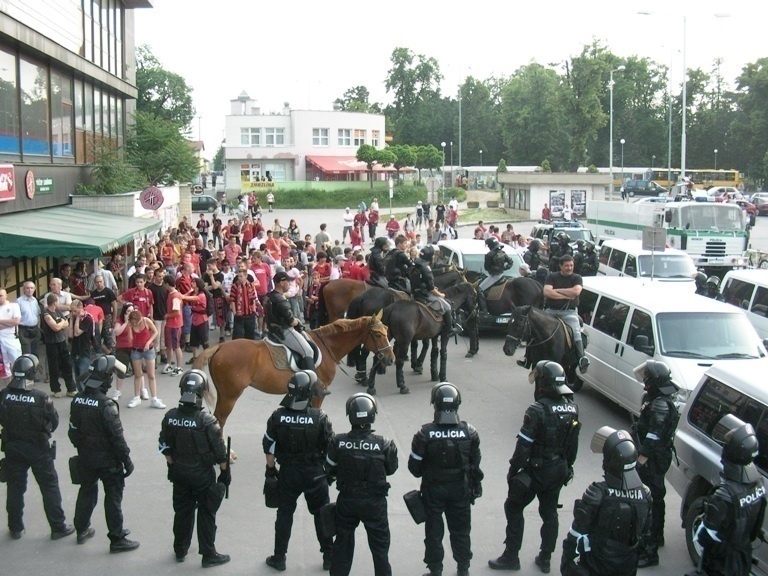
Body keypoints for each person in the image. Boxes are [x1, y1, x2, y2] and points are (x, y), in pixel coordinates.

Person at [489, 361, 581, 572]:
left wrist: (513, 473)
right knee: (550, 512)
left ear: (542, 384)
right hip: (559, 468)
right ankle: (546, 558)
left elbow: (523, 448)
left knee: (513, 506)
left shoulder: (537, 410)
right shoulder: (572, 408)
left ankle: (511, 556)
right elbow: (572, 445)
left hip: (537, 470)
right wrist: (567, 467)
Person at [262, 371, 335, 571]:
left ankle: (279, 557)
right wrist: (329, 473)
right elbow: (331, 449)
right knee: (322, 514)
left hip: (288, 474)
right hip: (315, 474)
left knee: (284, 514)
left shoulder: (277, 416)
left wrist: (271, 470)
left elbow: (269, 446)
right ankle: (329, 556)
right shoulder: (320, 417)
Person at [408, 383, 483, 576]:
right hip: (461, 489)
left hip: (433, 490)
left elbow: (414, 469)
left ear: (435, 405)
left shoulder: (424, 434)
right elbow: (475, 465)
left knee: (433, 532)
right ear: (458, 404)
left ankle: (435, 570)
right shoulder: (470, 432)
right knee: (461, 530)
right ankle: (463, 569)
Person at [159, 370, 230, 567]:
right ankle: (208, 554)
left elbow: (164, 446)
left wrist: (172, 466)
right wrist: (224, 473)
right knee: (207, 512)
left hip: (180, 472)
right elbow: (220, 453)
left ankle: (180, 548)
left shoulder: (170, 417)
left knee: (182, 510)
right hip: (202, 475)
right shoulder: (207, 421)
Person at [68, 355, 139, 552]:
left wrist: (84, 448)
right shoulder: (107, 406)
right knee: (113, 498)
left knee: (86, 491)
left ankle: (81, 529)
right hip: (109, 461)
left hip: (86, 458)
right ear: (105, 379)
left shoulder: (77, 400)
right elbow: (117, 439)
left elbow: (72, 431)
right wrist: (127, 460)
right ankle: (116, 538)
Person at [0, 354, 75, 541]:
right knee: (49, 487)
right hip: (38, 449)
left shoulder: (4, 395)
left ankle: (15, 527)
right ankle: (58, 526)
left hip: (13, 447)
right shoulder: (40, 398)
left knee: (15, 487)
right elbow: (54, 422)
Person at [560, 427, 651, 576]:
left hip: (596, 564)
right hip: (627, 565)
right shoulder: (645, 494)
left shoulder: (597, 493)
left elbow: (576, 535)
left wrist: (568, 562)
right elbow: (645, 534)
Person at [326, 393, 399, 576]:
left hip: (347, 501)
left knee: (342, 545)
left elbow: (330, 468)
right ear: (372, 416)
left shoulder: (337, 442)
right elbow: (391, 469)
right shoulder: (384, 444)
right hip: (375, 503)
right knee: (380, 551)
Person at [687, 417, 766, 576]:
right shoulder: (759, 485)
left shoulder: (724, 495)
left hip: (720, 565)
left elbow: (705, 538)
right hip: (743, 559)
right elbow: (755, 530)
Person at [632, 360, 680, 568]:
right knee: (657, 497)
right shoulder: (658, 398)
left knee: (649, 500)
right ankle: (657, 536)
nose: (645, 380)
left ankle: (650, 551)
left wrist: (640, 459)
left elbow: (653, 436)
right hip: (657, 457)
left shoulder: (660, 404)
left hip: (652, 459)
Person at [543, 254, 589, 373]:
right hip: (551, 311)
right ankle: (528, 357)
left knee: (576, 329)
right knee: (536, 326)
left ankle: (581, 358)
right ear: (560, 266)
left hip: (569, 313)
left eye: (571, 265)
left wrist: (556, 291)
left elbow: (576, 291)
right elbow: (547, 292)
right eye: (567, 265)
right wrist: (566, 294)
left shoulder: (577, 278)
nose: (569, 268)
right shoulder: (552, 277)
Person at [265, 271, 315, 375]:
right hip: (284, 331)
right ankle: (313, 383)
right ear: (282, 283)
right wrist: (298, 321)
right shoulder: (280, 299)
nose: (290, 283)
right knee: (308, 351)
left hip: (272, 330)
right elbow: (291, 321)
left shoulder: (270, 296)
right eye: (288, 281)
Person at [410, 245, 460, 336]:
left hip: (414, 292)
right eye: (433, 255)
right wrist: (440, 294)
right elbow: (431, 288)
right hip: (425, 295)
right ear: (429, 256)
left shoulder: (416, 264)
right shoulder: (426, 268)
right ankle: (450, 329)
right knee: (447, 306)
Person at [41, 293, 77, 397]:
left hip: (62, 341)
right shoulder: (46, 314)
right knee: (54, 367)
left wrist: (60, 323)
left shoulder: (57, 311)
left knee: (67, 365)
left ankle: (71, 388)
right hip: (52, 343)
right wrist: (61, 324)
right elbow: (55, 327)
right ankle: (56, 389)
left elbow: (66, 323)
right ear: (55, 302)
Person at [478, 237, 515, 314]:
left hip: (494, 276)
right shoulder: (503, 253)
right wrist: (504, 268)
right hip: (502, 275)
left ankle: (484, 311)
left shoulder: (489, 255)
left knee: (479, 289)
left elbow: (486, 267)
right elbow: (511, 262)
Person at [0, 288, 22, 381]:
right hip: (0, 338)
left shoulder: (13, 306)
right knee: (4, 366)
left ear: (6, 295)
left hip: (11, 338)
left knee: (17, 362)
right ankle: (7, 389)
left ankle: (19, 385)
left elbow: (16, 321)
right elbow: (12, 321)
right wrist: (9, 322)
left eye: (1, 295)